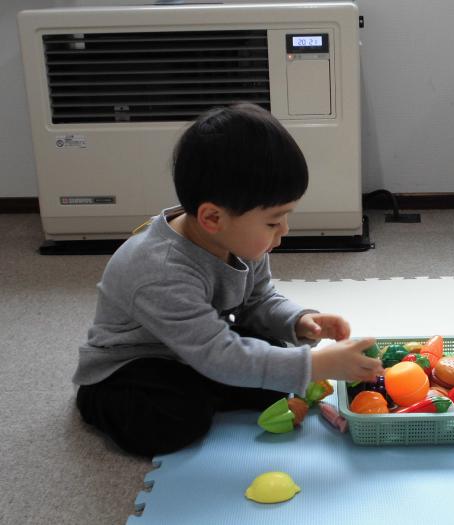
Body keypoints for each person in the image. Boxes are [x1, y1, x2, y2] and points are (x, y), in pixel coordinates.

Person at [73, 103, 383, 456]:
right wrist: (314, 366)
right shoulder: (158, 270)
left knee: (275, 371)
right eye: (272, 221)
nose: (284, 231)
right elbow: (216, 353)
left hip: (197, 345)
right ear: (212, 218)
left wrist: (298, 321)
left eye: (286, 216)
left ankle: (218, 378)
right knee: (175, 422)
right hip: (131, 366)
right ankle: (108, 401)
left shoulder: (239, 241)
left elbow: (259, 299)